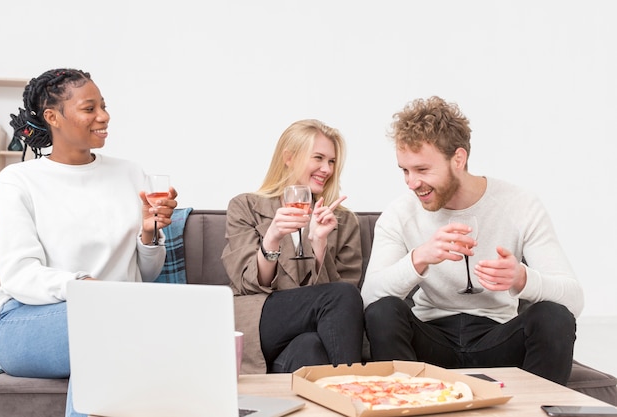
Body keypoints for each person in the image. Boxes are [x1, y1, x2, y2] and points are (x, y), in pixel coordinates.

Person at [0, 68, 178, 417]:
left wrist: (149, 233)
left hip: (115, 315)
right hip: (29, 320)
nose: (103, 116)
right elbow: (19, 275)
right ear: (53, 117)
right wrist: (84, 288)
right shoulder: (18, 181)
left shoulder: (130, 173)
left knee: (111, 332)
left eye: (103, 106)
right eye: (89, 108)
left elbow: (145, 274)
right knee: (105, 323)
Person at [361, 96, 582, 385]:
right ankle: (408, 404)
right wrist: (420, 258)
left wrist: (521, 278)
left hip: (499, 340)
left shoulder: (520, 204)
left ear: (458, 159)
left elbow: (574, 300)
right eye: (405, 170)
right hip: (429, 343)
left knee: (554, 317)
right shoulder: (400, 214)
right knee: (383, 312)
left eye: (422, 170)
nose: (411, 183)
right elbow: (369, 300)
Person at [222, 119, 364, 374]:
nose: (326, 169)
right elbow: (247, 284)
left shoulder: (344, 221)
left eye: (331, 161)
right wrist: (272, 238)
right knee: (341, 295)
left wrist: (320, 245)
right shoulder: (245, 207)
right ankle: (353, 393)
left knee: (309, 347)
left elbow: (343, 313)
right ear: (289, 157)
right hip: (260, 322)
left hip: (311, 333)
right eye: (318, 158)